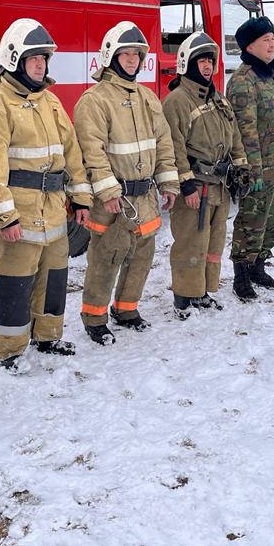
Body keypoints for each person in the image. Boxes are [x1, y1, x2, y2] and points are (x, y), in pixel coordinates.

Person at [0, 19, 92, 369]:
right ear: (13, 60)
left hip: (53, 210)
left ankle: (48, 337)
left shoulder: (49, 101)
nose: (40, 66)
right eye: (33, 59)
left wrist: (81, 198)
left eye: (43, 60)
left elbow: (73, 153)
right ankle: (9, 349)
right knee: (14, 284)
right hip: (18, 215)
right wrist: (4, 217)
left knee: (54, 278)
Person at [73, 21, 179, 345]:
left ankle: (127, 310)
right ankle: (94, 318)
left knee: (141, 257)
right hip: (114, 201)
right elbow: (92, 150)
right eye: (125, 53)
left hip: (144, 197)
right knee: (105, 258)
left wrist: (169, 183)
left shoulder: (148, 98)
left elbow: (163, 143)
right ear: (110, 56)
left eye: (136, 54)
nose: (132, 60)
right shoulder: (95, 100)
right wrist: (107, 192)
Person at [164, 31, 248, 317]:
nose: (208, 66)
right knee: (191, 242)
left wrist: (241, 167)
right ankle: (184, 298)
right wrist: (184, 184)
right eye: (201, 61)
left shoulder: (218, 99)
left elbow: (234, 135)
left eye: (210, 61)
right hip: (196, 187)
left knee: (212, 242)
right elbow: (173, 146)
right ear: (187, 63)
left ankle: (202, 292)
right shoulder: (177, 100)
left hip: (219, 187)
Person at [227, 16, 274, 301]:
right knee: (250, 221)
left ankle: (258, 268)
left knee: (271, 221)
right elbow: (246, 131)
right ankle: (241, 276)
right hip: (258, 168)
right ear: (250, 46)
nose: (273, 44)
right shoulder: (244, 81)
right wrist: (252, 171)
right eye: (266, 40)